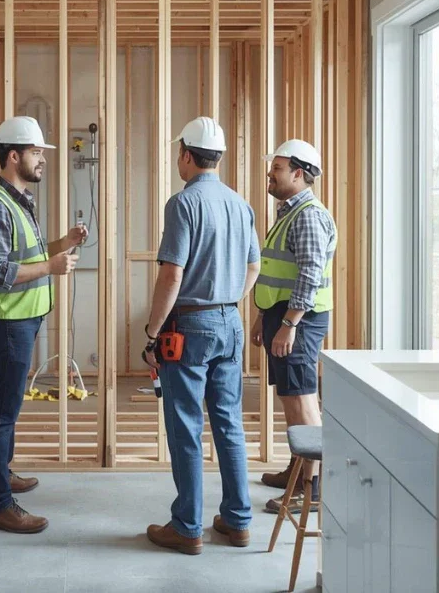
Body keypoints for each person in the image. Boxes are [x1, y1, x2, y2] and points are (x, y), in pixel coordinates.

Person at [141, 116, 260, 555]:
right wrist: (229, 300)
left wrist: (152, 332)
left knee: (187, 425)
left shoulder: (183, 203)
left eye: (179, 153)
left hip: (188, 326)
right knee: (228, 422)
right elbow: (253, 267)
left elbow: (172, 275)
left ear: (187, 155)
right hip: (228, 321)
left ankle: (187, 527)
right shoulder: (239, 204)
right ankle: (237, 520)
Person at [0, 116, 87, 534]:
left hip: (19, 319)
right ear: (13, 155)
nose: (42, 160)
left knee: (2, 407)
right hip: (7, 322)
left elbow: (26, 257)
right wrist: (53, 267)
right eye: (37, 153)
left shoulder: (19, 203)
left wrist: (63, 244)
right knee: (4, 411)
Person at [251, 140, 337, 515]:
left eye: (278, 168)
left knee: (302, 398)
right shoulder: (290, 212)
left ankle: (314, 489)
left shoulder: (308, 216)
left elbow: (309, 276)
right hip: (283, 315)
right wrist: (263, 315)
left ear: (298, 173)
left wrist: (287, 325)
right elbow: (277, 271)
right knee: (290, 394)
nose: (271, 174)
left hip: (298, 319)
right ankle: (298, 468)